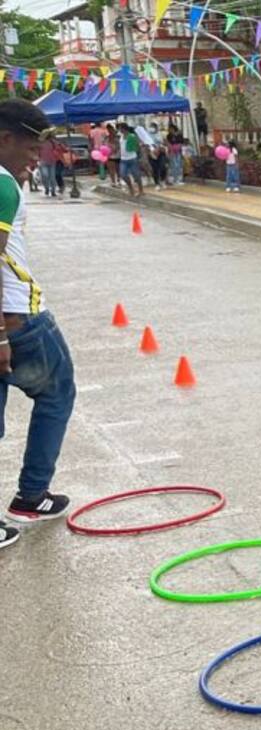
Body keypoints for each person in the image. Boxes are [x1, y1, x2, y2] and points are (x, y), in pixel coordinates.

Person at [0, 101, 76, 551]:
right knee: (58, 393)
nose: (36, 158)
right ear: (4, 139)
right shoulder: (3, 186)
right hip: (20, 320)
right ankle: (31, 495)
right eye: (31, 147)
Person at [116, 123, 143, 198]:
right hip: (123, 159)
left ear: (124, 128)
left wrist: (138, 153)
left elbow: (137, 145)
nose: (120, 130)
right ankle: (131, 188)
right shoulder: (121, 137)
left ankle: (141, 190)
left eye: (120, 128)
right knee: (123, 174)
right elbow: (120, 146)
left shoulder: (132, 136)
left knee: (136, 175)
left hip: (132, 158)